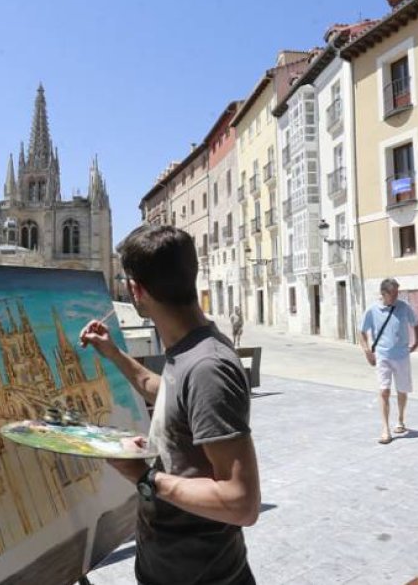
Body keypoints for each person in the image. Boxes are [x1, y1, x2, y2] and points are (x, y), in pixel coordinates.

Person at [80, 225, 260, 585]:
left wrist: (145, 478)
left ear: (135, 290)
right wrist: (113, 352)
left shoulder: (207, 367)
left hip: (203, 576)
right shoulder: (191, 348)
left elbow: (242, 502)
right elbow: (166, 392)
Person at [359, 278, 418, 445]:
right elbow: (362, 331)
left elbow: (416, 323)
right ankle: (385, 428)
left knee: (402, 390)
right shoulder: (372, 310)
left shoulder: (404, 307)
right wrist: (367, 351)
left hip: (401, 355)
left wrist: (416, 342)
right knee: (384, 391)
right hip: (382, 356)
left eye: (397, 294)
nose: (395, 297)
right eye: (392, 294)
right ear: (383, 294)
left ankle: (400, 419)